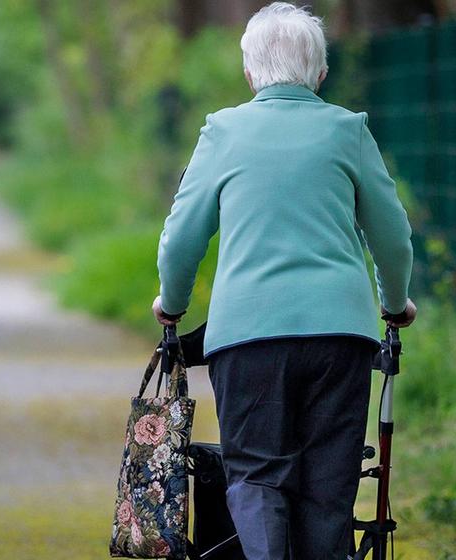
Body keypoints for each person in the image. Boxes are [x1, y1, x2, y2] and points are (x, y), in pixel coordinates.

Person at [151, 3, 416, 559]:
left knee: (256, 474)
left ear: (249, 74)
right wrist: (395, 304)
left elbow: (181, 238)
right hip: (341, 337)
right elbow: (391, 236)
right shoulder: (349, 131)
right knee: (329, 484)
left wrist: (170, 306)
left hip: (247, 338)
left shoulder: (222, 131)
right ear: (321, 73)